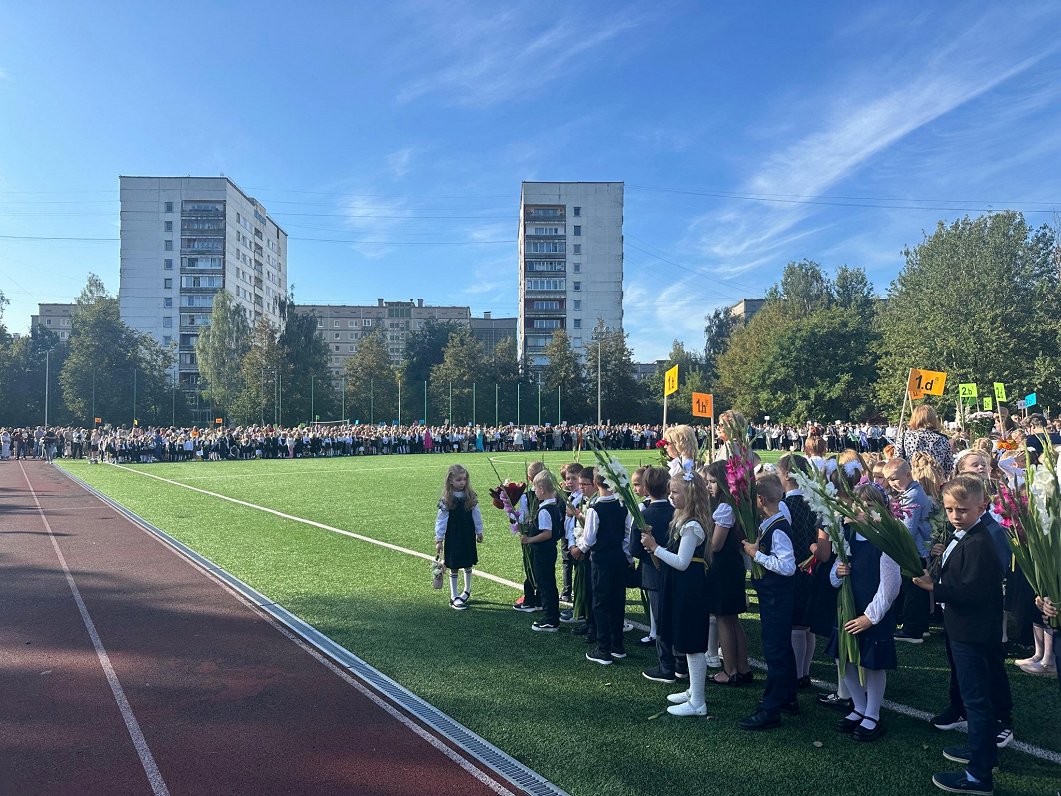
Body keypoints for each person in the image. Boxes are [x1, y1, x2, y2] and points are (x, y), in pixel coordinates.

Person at [912, 476, 1005, 796]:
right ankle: (983, 753)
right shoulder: (965, 535)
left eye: (962, 510)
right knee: (974, 698)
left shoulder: (979, 542)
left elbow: (973, 592)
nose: (954, 515)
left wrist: (933, 587)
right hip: (964, 629)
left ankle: (979, 776)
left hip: (973, 632)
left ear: (982, 507)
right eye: (950, 509)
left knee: (976, 701)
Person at [830, 483, 901, 742]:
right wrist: (837, 573)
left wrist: (870, 617)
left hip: (871, 613)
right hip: (849, 608)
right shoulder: (847, 533)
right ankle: (858, 706)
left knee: (872, 663)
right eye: (857, 507)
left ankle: (873, 713)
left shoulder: (885, 540)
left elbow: (890, 585)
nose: (862, 512)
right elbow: (835, 572)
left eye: (869, 507)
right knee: (845, 658)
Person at [640, 470, 713, 716]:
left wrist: (655, 548)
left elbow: (682, 561)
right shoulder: (682, 519)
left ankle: (699, 701)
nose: (671, 496)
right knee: (686, 639)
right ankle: (693, 690)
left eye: (675, 492)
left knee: (692, 644)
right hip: (682, 585)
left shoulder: (692, 525)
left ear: (690, 495)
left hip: (690, 587)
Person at [739, 473, 798, 730]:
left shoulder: (778, 526)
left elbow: (787, 566)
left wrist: (756, 554)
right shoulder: (769, 523)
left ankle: (771, 707)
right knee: (781, 646)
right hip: (773, 595)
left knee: (775, 649)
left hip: (777, 596)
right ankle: (788, 696)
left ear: (760, 499)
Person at [573, 468, 634, 665]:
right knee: (617, 600)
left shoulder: (595, 508)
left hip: (601, 559)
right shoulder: (622, 506)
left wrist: (579, 548)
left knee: (601, 602)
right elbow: (627, 534)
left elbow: (589, 537)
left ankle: (603, 648)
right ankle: (618, 644)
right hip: (618, 557)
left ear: (597, 484)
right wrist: (627, 557)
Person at [704, 460, 753, 686]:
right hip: (732, 565)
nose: (709, 486)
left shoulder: (725, 508)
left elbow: (716, 544)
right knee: (732, 619)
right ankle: (742, 667)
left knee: (724, 618)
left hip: (723, 567)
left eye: (713, 482)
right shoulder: (735, 504)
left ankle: (730, 669)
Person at [777, 453, 818, 689]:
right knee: (806, 624)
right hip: (813, 566)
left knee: (795, 624)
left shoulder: (786, 504)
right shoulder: (814, 500)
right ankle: (805, 672)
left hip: (795, 567)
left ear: (786, 476)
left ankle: (798, 673)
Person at [635, 467, 678, 684]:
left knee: (661, 620)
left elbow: (634, 548)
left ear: (646, 488)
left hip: (654, 575)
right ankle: (680, 663)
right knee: (675, 616)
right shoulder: (675, 513)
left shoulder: (644, 515)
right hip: (677, 573)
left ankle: (666, 666)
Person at [884, 457, 935, 643]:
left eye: (895, 479)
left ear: (908, 474)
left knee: (914, 589)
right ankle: (920, 627)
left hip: (914, 551)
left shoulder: (912, 495)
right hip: (916, 549)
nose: (892, 483)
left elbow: (907, 530)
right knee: (916, 589)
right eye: (889, 480)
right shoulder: (911, 491)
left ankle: (913, 630)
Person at [434, 464, 484, 610]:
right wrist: (439, 539)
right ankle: (454, 595)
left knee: (468, 563)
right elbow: (441, 520)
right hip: (453, 535)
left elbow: (476, 514)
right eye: (458, 480)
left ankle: (467, 590)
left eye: (464, 479)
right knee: (454, 565)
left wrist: (479, 531)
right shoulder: (447, 499)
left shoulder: (470, 496)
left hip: (467, 534)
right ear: (450, 481)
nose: (462, 482)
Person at [521, 471, 564, 632]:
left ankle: (551, 619)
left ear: (541, 489)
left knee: (545, 585)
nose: (534, 491)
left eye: (535, 487)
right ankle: (552, 615)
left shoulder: (545, 509)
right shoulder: (553, 506)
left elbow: (547, 533)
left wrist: (529, 539)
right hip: (548, 551)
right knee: (548, 584)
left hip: (543, 552)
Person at [898, 405, 954, 477]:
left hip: (912, 481)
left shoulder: (904, 437)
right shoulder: (943, 439)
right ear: (933, 419)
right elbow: (949, 466)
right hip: (937, 482)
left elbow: (898, 462)